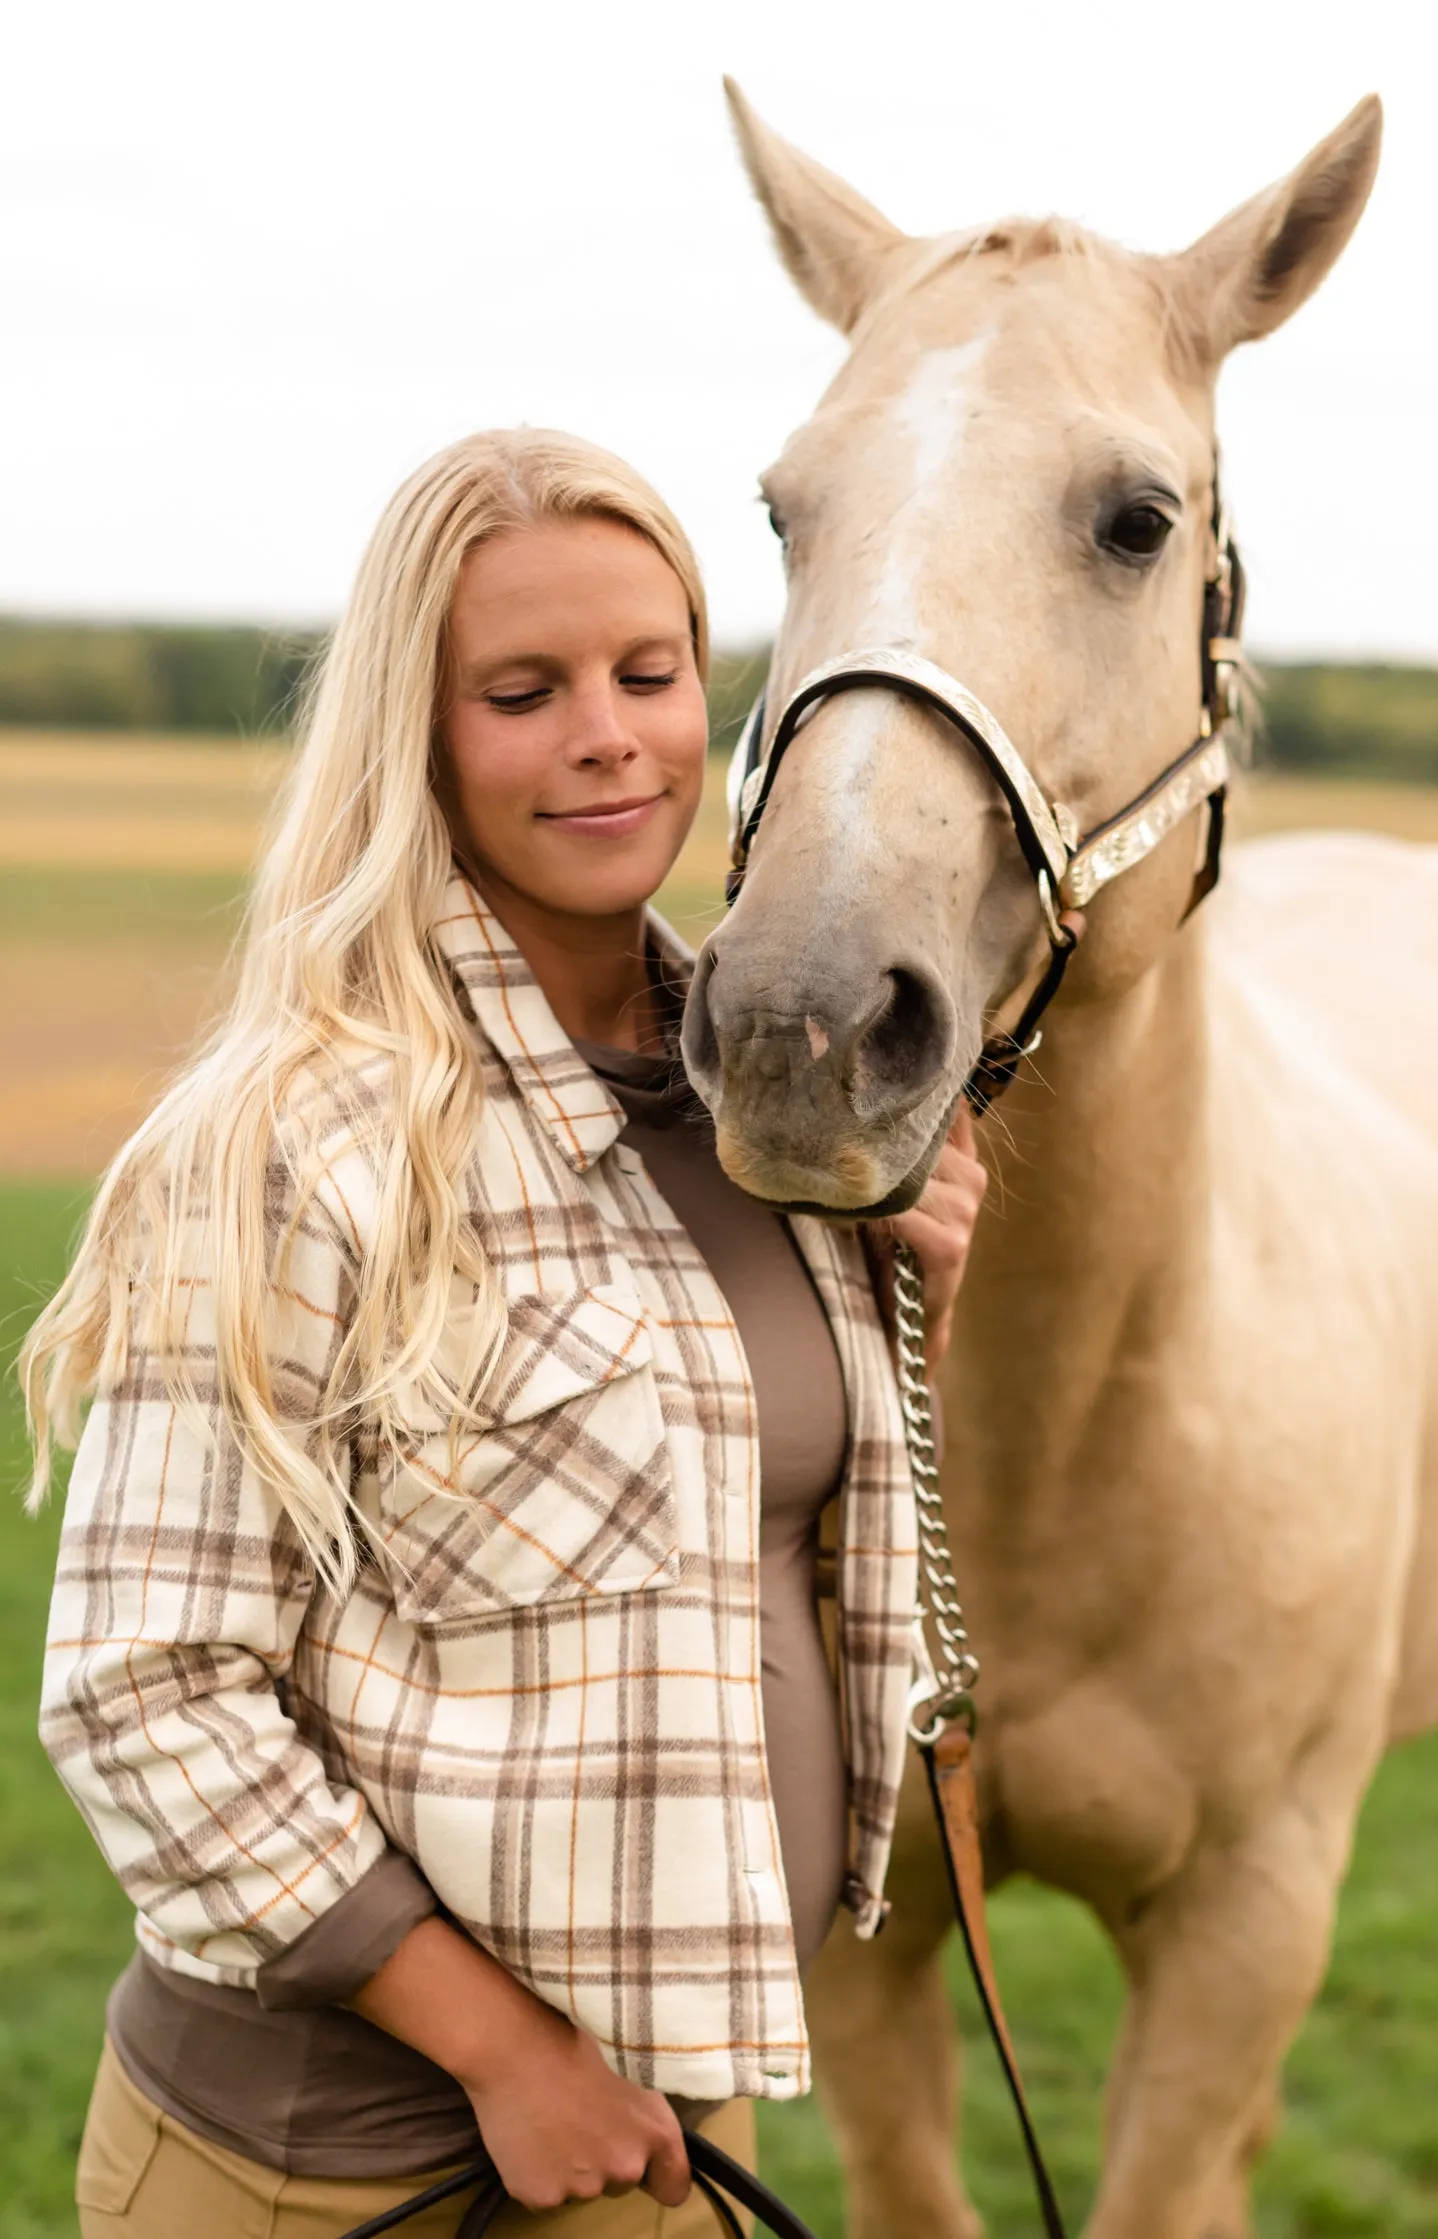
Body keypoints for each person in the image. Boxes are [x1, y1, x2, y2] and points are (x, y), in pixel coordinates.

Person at [23, 428, 987, 2238]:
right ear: (421, 735)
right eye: (524, 691)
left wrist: (912, 1298)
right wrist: (501, 2055)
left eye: (650, 672)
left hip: (668, 2108)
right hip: (343, 2164)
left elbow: (750, 1532)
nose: (610, 734)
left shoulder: (772, 1119)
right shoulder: (296, 1144)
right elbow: (143, 1686)